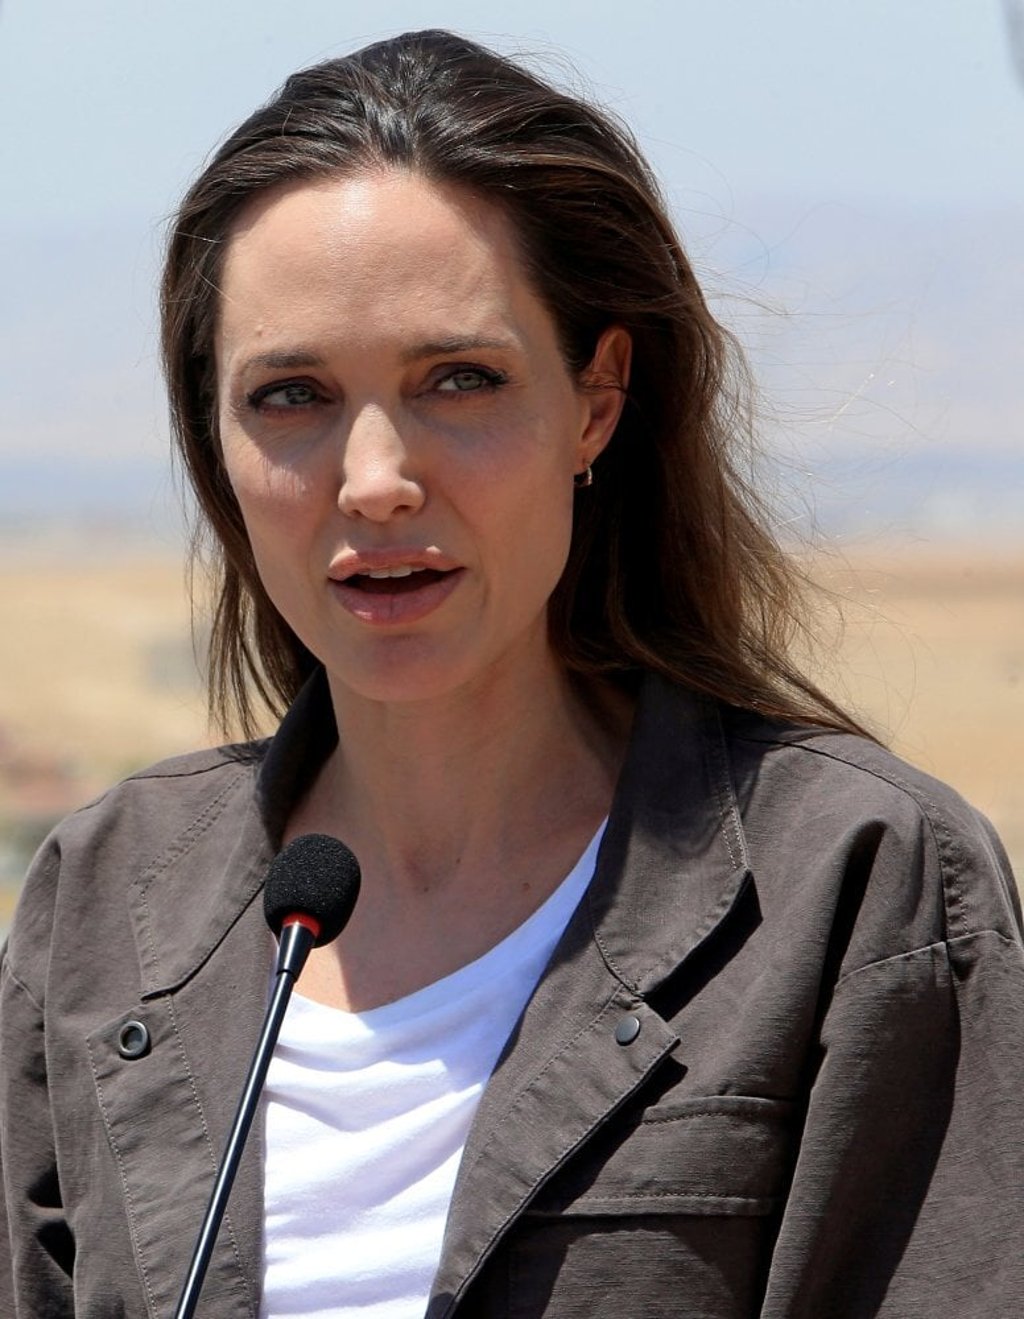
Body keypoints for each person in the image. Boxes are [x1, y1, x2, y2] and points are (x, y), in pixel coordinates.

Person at [1, 28, 1021, 1319]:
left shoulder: (858, 886)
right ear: (214, 432)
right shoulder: (100, 907)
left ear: (596, 401)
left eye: (460, 380)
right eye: (291, 396)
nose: (374, 479)